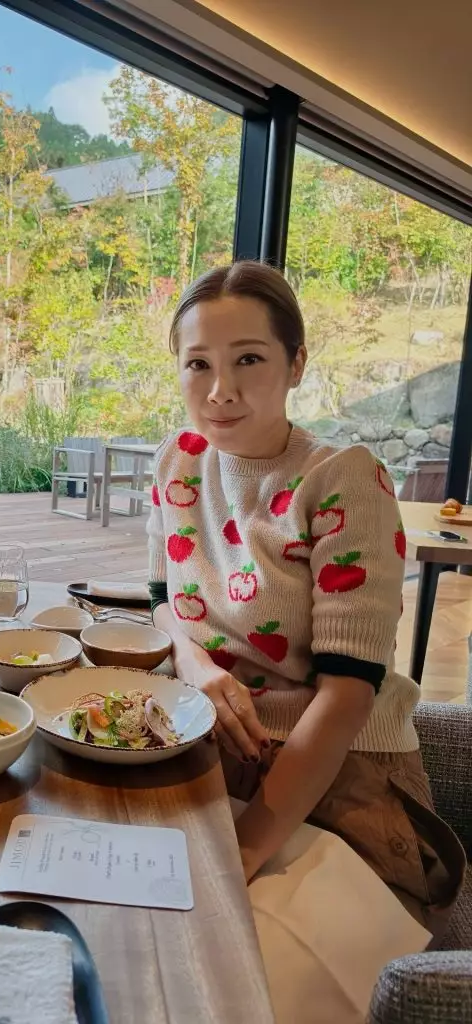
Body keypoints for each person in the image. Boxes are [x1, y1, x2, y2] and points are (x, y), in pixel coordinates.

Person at [148, 260, 465, 937]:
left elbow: (348, 695)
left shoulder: (343, 479)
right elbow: (159, 601)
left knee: (245, 951)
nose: (220, 391)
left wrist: (244, 852)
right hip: (210, 744)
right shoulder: (178, 460)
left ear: (296, 364)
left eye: (249, 359)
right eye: (198, 364)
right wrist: (196, 668)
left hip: (337, 768)